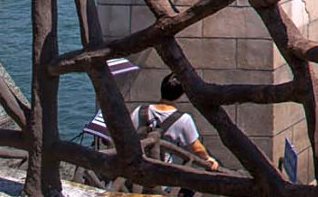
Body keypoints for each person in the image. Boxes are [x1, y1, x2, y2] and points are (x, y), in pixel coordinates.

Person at [83, 61, 221, 175]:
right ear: (181, 95)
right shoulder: (184, 120)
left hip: (137, 169)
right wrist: (208, 159)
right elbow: (196, 148)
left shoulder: (140, 110)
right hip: (163, 173)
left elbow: (127, 133)